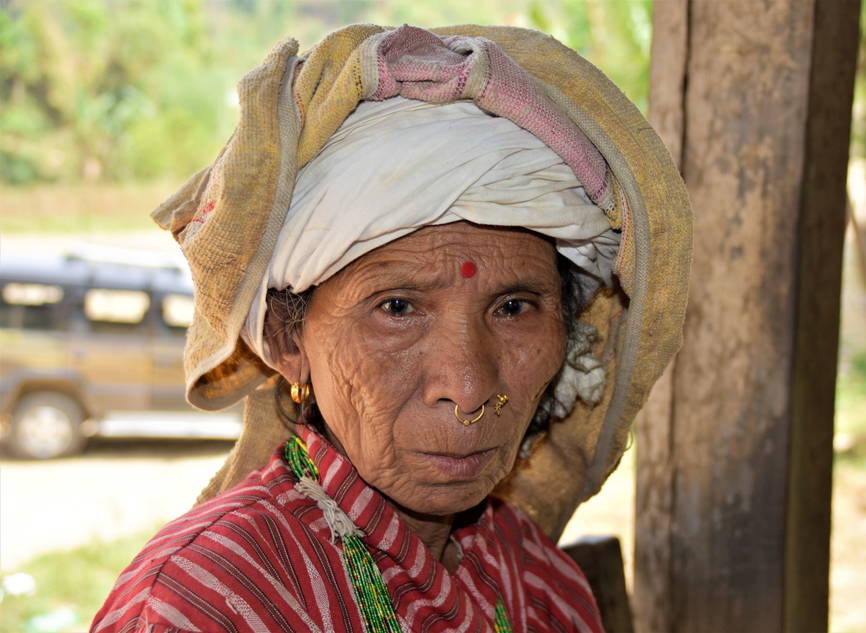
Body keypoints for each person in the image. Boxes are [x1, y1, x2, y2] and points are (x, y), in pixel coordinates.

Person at [92, 24, 691, 633]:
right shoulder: (202, 607)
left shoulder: (539, 583)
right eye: (398, 308)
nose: (468, 387)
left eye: (513, 308)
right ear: (286, 339)